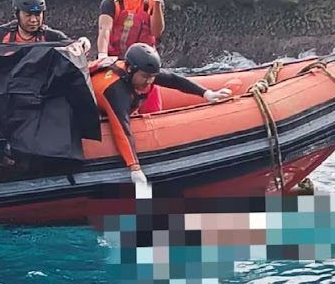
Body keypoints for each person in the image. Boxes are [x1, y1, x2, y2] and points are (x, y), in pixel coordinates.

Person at [91, 43, 231, 184]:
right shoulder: (115, 90)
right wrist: (134, 167)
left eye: (153, 77)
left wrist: (207, 93)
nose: (150, 81)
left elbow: (174, 80)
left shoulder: (142, 72)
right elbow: (121, 129)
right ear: (129, 69)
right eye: (146, 77)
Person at [96, 0, 173, 114]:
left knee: (153, 109)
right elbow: (104, 29)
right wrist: (102, 55)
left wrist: (159, 1)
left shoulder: (152, 1)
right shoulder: (111, 3)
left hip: (145, 66)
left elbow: (156, 31)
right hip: (118, 65)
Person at [0, 0, 91, 51]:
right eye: (28, 15)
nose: (33, 20)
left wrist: (83, 42)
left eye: (37, 14)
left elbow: (74, 49)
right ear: (17, 14)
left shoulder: (52, 37)